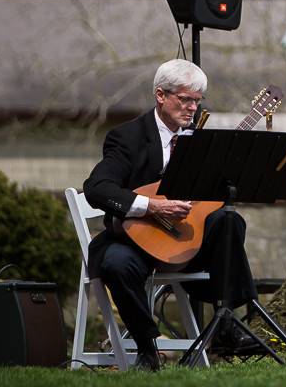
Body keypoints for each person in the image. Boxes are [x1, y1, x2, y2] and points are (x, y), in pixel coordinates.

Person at [83, 59, 257, 371]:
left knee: (230, 220)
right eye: (185, 99)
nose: (192, 108)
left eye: (197, 100)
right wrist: (152, 206)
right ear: (161, 95)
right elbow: (97, 188)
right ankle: (147, 349)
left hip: (184, 242)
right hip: (137, 239)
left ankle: (227, 322)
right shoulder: (128, 137)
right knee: (116, 263)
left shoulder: (201, 139)